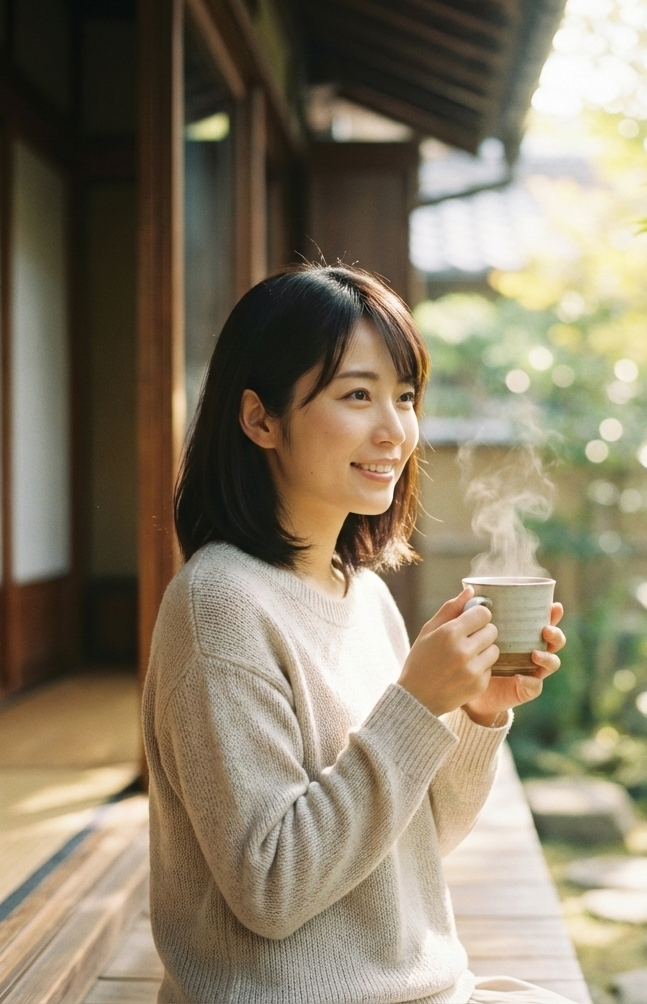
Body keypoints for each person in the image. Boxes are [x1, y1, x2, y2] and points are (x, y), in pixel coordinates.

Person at [142, 265, 571, 1004]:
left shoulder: (365, 596)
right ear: (260, 420)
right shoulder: (219, 607)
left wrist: (476, 712)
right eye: (357, 395)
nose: (394, 429)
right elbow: (271, 887)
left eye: (404, 397)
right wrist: (412, 703)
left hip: (420, 988)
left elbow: (411, 846)